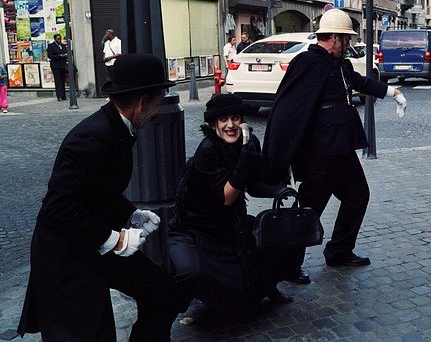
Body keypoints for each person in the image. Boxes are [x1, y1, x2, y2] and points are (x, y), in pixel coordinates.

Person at [18, 53, 189, 341]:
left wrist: (130, 213)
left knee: (162, 291)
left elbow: (98, 189)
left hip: (92, 241)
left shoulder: (117, 126)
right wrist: (116, 239)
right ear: (142, 102)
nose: (157, 111)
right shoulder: (93, 137)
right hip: (67, 256)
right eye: (158, 102)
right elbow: (59, 207)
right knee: (91, 331)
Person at [262, 9, 406, 283]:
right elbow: (289, 109)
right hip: (318, 154)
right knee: (309, 210)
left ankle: (339, 250)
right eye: (346, 39)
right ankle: (287, 266)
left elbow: (359, 82)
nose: (349, 44)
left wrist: (392, 92)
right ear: (334, 38)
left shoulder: (339, 64)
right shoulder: (307, 62)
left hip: (341, 149)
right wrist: (281, 154)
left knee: (358, 195)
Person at [167, 94, 296, 310]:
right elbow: (226, 198)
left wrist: (279, 190)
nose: (230, 125)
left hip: (230, 220)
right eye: (223, 119)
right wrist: (244, 162)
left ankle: (268, 288)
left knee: (271, 241)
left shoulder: (249, 143)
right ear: (213, 125)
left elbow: (253, 185)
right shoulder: (207, 150)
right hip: (197, 226)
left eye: (235, 118)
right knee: (195, 272)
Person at [46, 33, 68, 101]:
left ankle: (64, 96)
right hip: (56, 65)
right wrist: (59, 56)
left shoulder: (63, 45)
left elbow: (66, 52)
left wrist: (65, 55)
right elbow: (50, 55)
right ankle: (59, 96)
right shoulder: (51, 46)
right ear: (55, 39)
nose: (59, 40)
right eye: (58, 39)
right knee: (58, 81)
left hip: (63, 65)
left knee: (63, 81)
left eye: (60, 39)